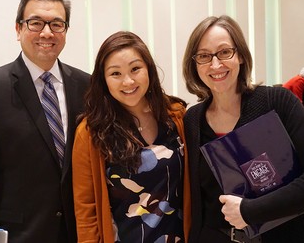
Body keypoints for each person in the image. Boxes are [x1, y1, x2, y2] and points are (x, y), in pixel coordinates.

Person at [0, 0, 90, 242]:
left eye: (57, 24)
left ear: (66, 31)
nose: (47, 32)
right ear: (18, 29)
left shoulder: (88, 87)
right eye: (36, 23)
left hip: (79, 235)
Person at [182, 15, 304, 243]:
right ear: (194, 64)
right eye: (204, 56)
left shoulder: (277, 103)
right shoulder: (192, 120)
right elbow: (199, 203)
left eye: (224, 52)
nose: (215, 64)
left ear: (240, 56)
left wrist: (250, 211)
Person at [72, 31, 191, 242]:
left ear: (149, 70)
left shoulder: (175, 116)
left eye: (135, 69)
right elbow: (86, 212)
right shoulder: (91, 132)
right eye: (115, 73)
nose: (128, 81)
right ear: (104, 80)